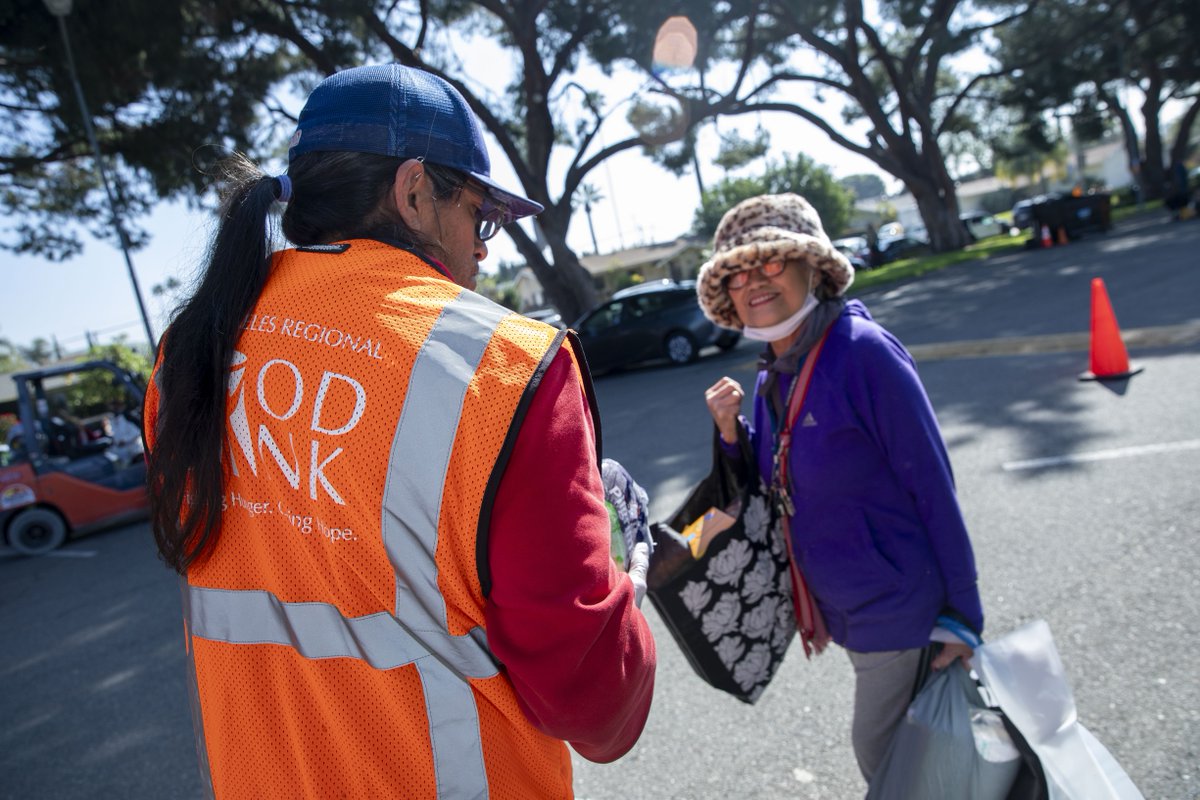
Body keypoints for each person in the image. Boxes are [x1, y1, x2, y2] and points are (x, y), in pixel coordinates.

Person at [144, 64, 655, 799]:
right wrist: (624, 574)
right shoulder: (504, 366)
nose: (485, 249)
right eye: (480, 217)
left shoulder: (187, 355)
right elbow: (595, 704)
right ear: (415, 191)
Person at [695, 194, 984, 784]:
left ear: (815, 270)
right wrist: (731, 435)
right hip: (847, 607)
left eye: (772, 263)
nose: (755, 281)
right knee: (928, 766)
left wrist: (962, 616)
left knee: (882, 755)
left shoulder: (863, 354)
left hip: (901, 608)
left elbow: (932, 484)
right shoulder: (777, 369)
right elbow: (777, 472)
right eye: (740, 273)